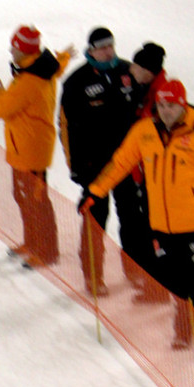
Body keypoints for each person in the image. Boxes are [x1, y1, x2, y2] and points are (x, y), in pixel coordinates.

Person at [81, 80, 194, 350]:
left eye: (172, 106)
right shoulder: (144, 132)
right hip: (162, 227)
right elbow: (120, 163)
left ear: (182, 105)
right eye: (161, 105)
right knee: (174, 283)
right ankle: (184, 328)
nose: (166, 111)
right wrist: (95, 192)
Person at [59, 27, 139, 295]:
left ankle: (137, 272)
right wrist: (77, 167)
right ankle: (93, 275)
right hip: (94, 167)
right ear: (91, 50)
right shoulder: (76, 81)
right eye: (102, 47)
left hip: (127, 164)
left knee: (131, 219)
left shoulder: (128, 71)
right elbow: (66, 126)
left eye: (110, 45)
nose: (108, 51)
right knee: (96, 220)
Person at [0, 25, 74, 268]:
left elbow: (1, 110)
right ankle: (32, 242)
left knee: (36, 202)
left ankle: (46, 251)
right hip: (26, 150)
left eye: (14, 47)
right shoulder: (44, 67)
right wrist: (64, 55)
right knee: (23, 197)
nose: (10, 51)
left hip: (29, 152)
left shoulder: (29, 80)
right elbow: (58, 66)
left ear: (23, 51)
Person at [126, 42, 171, 302]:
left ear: (148, 70)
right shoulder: (148, 89)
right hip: (145, 175)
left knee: (156, 234)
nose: (131, 69)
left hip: (155, 179)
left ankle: (160, 289)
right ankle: (157, 284)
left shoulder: (160, 97)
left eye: (136, 66)